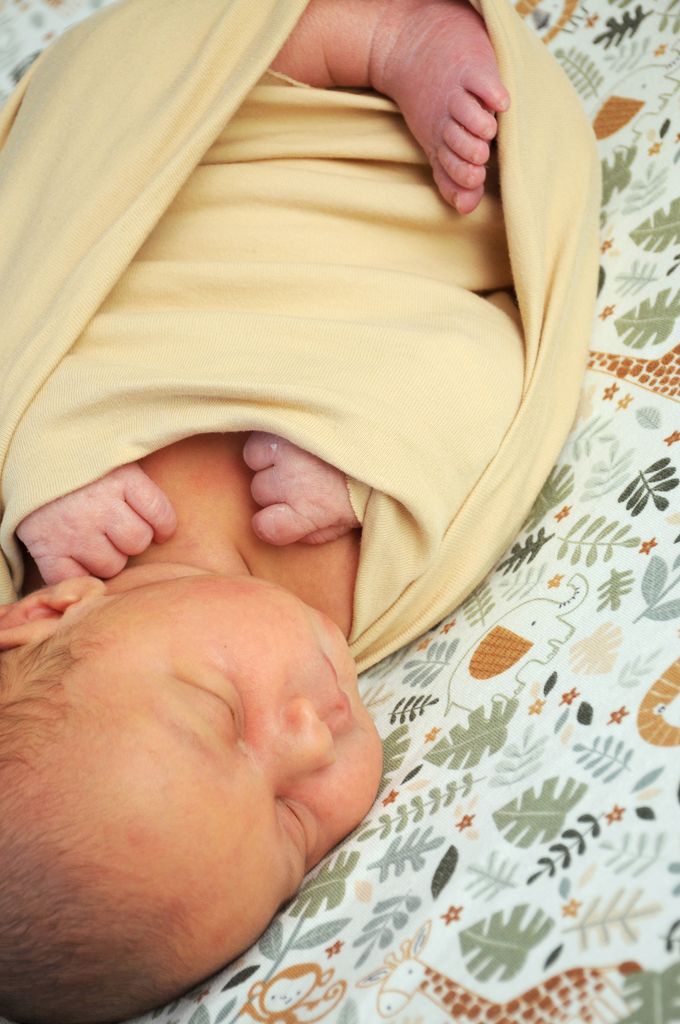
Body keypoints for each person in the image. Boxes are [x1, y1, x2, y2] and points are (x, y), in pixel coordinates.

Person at [0, 1, 517, 1022]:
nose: (310, 741)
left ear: (50, 614)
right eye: (290, 829)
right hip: (360, 214)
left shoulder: (48, 538)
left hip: (199, 170)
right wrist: (369, 460)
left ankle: (378, 35)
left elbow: (36, 307)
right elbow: (484, 377)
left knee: (142, 85)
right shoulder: (355, 587)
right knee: (484, 199)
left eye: (220, 714)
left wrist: (42, 463)